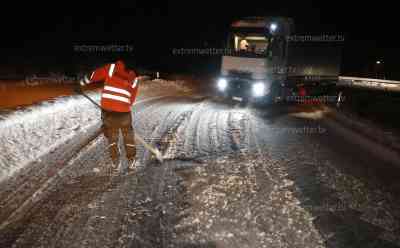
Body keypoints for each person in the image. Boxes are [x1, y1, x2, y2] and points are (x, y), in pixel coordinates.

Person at [79, 60, 139, 171]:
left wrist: (82, 82)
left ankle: (115, 160)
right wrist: (123, 106)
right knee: (128, 136)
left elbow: (93, 76)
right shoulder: (134, 78)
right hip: (124, 112)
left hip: (109, 111)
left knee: (112, 135)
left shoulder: (112, 68)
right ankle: (132, 159)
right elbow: (132, 97)